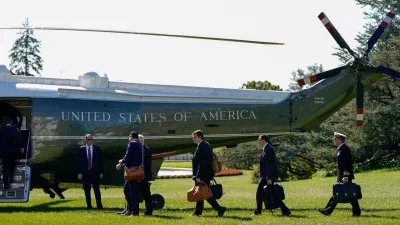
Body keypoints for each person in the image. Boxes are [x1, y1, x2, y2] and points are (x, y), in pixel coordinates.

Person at [317, 132, 361, 217]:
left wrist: (346, 176)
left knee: (349, 193)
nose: (334, 140)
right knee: (339, 192)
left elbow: (347, 165)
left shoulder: (344, 149)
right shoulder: (341, 148)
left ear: (339, 139)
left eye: (335, 139)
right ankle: (327, 210)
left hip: (345, 176)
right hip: (341, 175)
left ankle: (356, 212)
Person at [191, 130, 226, 217]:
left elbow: (202, 163)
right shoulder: (206, 145)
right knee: (200, 192)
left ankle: (219, 208)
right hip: (206, 173)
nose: (193, 139)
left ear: (200, 137)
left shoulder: (202, 146)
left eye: (194, 137)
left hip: (203, 174)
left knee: (205, 193)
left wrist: (198, 176)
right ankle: (198, 211)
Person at [253, 134, 291, 216]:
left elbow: (270, 165)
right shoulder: (266, 149)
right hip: (266, 176)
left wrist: (269, 178)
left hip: (268, 176)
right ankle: (285, 209)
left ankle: (258, 210)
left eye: (259, 140)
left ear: (264, 140)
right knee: (273, 193)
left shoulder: (268, 149)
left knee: (260, 192)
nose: (258, 142)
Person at [116, 134, 153, 216]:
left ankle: (138, 210)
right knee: (130, 190)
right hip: (141, 174)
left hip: (140, 174)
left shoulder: (143, 149)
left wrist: (122, 162)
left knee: (139, 193)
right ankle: (132, 209)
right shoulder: (143, 148)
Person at [116, 131, 143, 216]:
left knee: (133, 193)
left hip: (132, 172)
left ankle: (135, 212)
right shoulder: (139, 144)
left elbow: (128, 155)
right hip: (137, 170)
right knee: (126, 189)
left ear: (131, 136)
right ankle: (130, 209)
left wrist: (121, 162)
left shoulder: (132, 143)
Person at [76, 134, 104, 209]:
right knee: (87, 190)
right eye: (89, 139)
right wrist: (79, 172)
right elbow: (78, 162)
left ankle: (99, 205)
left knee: (96, 189)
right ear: (85, 140)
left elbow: (100, 161)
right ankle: (89, 205)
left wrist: (101, 172)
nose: (90, 141)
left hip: (95, 172)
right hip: (85, 172)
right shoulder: (81, 149)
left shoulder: (97, 149)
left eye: (91, 139)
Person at [0, 116, 24, 189]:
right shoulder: (14, 128)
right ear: (11, 122)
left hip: (4, 151)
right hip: (13, 150)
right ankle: (10, 177)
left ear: (4, 123)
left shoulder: (1, 130)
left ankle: (5, 183)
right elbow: (18, 138)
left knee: (5, 167)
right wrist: (21, 147)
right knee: (12, 164)